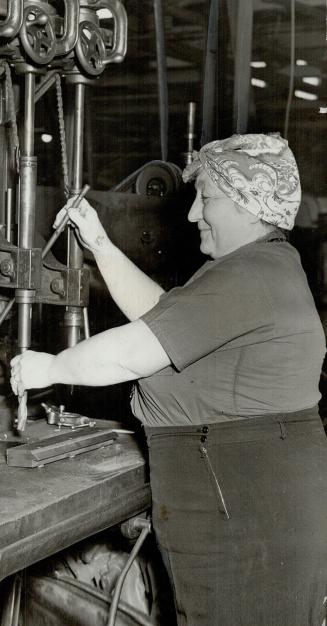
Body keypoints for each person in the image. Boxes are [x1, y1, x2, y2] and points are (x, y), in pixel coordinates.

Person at [10, 133, 327, 626]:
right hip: (243, 505)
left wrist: (48, 367)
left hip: (248, 522)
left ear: (248, 203)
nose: (193, 213)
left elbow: (134, 351)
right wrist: (97, 241)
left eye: (209, 199)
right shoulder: (254, 269)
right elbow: (161, 317)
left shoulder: (252, 275)